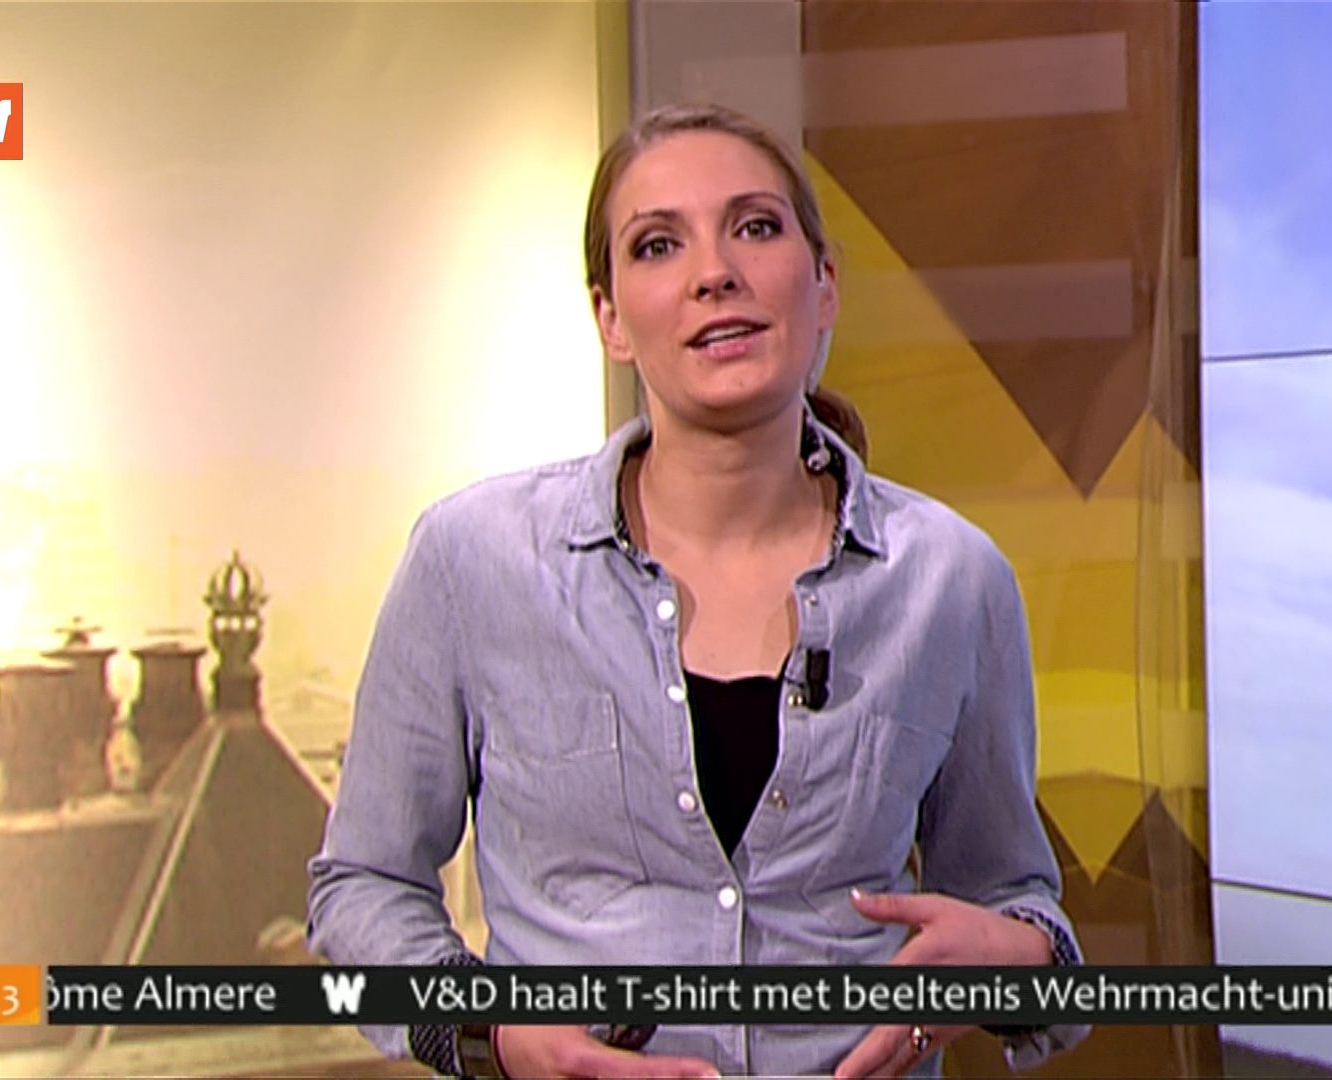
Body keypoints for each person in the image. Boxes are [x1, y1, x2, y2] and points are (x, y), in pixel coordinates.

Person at [308, 102, 1086, 1079]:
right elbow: (362, 886)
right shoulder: (473, 560)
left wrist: (1020, 960)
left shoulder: (951, 580)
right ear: (610, 319)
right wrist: (490, 1034)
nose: (714, 272)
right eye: (658, 245)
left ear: (824, 284)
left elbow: (1016, 905)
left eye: (755, 227)